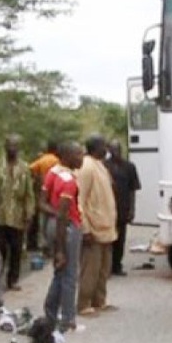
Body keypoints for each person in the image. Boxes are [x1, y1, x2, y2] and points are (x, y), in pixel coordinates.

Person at [42, 142, 85, 333]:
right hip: (66, 228)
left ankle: (50, 313)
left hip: (54, 224)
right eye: (78, 154)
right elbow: (64, 213)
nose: (82, 157)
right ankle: (68, 320)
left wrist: (54, 214)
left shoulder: (53, 172)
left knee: (60, 272)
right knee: (69, 275)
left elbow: (41, 202)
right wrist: (60, 249)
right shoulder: (69, 181)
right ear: (66, 156)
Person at [77, 135, 118, 317]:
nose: (106, 149)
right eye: (104, 146)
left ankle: (99, 301)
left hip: (106, 228)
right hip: (92, 228)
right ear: (96, 147)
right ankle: (84, 304)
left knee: (104, 268)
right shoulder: (86, 167)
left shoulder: (100, 165)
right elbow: (80, 200)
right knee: (90, 270)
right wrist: (85, 229)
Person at [0, 135, 35, 290]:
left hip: (17, 215)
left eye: (15, 146)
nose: (12, 149)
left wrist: (29, 214)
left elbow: (29, 193)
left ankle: (13, 280)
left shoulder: (24, 168)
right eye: (9, 145)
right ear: (5, 147)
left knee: (16, 250)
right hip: (0, 215)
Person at [104, 139, 141, 276]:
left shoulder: (129, 167)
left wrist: (132, 209)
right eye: (112, 150)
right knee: (108, 239)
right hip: (107, 209)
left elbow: (133, 189)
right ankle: (107, 267)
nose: (115, 153)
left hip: (122, 208)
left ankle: (117, 266)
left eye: (117, 150)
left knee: (120, 239)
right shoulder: (104, 166)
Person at [29, 141, 60, 254]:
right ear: (56, 150)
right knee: (53, 217)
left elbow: (30, 169)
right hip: (54, 192)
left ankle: (45, 243)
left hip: (42, 191)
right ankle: (52, 244)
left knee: (44, 218)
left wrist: (36, 178)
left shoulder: (42, 160)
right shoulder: (57, 161)